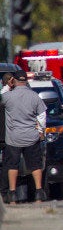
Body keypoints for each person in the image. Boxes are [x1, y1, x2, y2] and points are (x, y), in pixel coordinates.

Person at [1, 70, 47, 204]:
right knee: (35, 165)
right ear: (26, 80)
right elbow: (42, 115)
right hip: (31, 137)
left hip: (13, 138)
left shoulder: (8, 96)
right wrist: (40, 131)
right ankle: (39, 192)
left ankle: (13, 194)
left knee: (12, 165)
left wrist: (7, 86)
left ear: (13, 80)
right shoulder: (34, 96)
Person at [0, 73, 15, 203]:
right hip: (6, 136)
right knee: (8, 165)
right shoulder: (8, 96)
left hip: (5, 135)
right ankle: (4, 192)